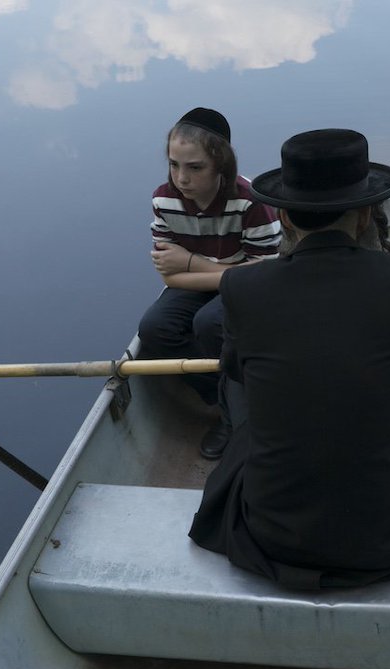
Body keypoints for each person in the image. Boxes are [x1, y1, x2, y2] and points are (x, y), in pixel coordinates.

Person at [188, 129, 390, 589]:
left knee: (233, 377)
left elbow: (240, 371)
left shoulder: (242, 287)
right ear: (365, 216)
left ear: (284, 217)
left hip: (271, 533)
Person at [138, 107, 282, 459]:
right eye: (174, 165)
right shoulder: (164, 200)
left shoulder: (250, 202)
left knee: (210, 323)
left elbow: (264, 276)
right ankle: (227, 398)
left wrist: (190, 262)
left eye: (195, 167)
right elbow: (167, 275)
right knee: (154, 330)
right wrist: (227, 271)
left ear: (221, 165)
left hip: (247, 289)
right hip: (205, 282)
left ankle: (237, 416)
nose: (182, 178)